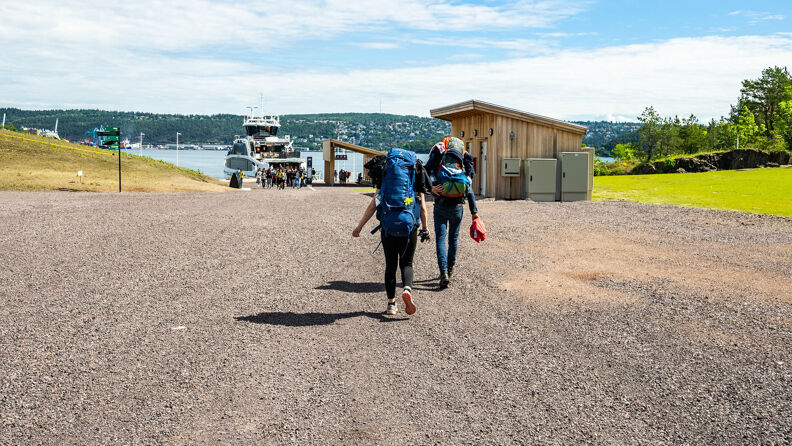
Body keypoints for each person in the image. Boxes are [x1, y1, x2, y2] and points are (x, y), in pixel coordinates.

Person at [353, 151, 431, 316]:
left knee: (390, 265)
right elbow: (423, 208)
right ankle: (407, 289)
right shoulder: (414, 175)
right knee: (407, 263)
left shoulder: (385, 176)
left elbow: (373, 205)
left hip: (388, 225)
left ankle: (391, 304)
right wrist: (425, 228)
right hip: (409, 225)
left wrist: (359, 227)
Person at [426, 137, 479, 288]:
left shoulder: (439, 162)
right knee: (453, 239)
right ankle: (450, 269)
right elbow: (469, 191)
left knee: (441, 239)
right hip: (457, 208)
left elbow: (427, 177)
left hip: (440, 207)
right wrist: (474, 213)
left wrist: (431, 188)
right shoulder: (463, 166)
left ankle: (443, 272)